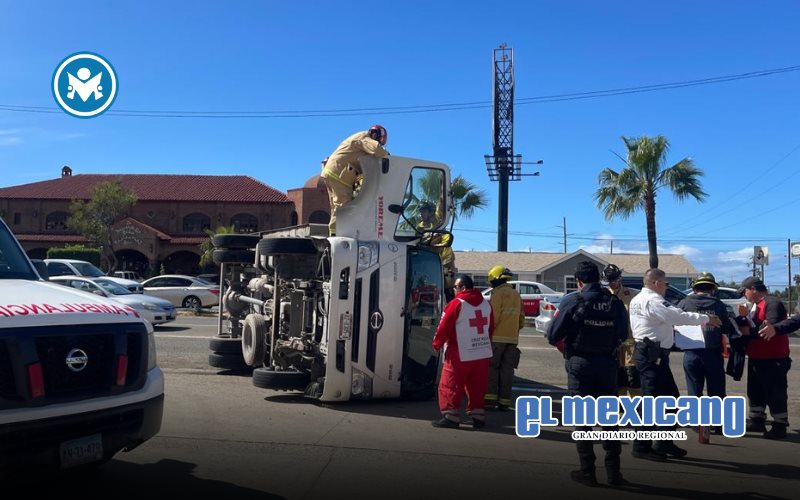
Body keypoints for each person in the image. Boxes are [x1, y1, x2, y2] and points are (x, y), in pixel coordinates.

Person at [547, 261, 629, 487]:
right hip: (607, 365)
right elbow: (623, 334)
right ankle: (614, 473)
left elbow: (553, 334)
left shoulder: (573, 301)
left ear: (579, 281)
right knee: (610, 420)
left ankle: (588, 471)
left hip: (580, 364)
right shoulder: (614, 302)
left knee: (582, 420)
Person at [629, 268, 721, 461]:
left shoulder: (639, 299)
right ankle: (642, 446)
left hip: (653, 354)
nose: (667, 287)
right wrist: (706, 318)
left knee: (670, 398)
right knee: (651, 402)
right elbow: (676, 316)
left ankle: (663, 442)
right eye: (665, 283)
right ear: (656, 283)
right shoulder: (652, 300)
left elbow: (664, 322)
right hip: (651, 355)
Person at [431, 274, 494, 429]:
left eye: (455, 287)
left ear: (462, 287)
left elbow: (444, 326)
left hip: (459, 351)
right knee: (477, 385)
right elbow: (491, 328)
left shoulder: (456, 304)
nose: (454, 290)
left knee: (451, 384)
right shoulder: (486, 305)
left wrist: (436, 343)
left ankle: (451, 416)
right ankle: (478, 416)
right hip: (481, 352)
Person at [735, 276, 790, 439]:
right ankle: (757, 419)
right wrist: (742, 319)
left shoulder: (772, 303)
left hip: (773, 358)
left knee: (775, 392)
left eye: (745, 292)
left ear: (753, 289)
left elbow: (769, 327)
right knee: (755, 390)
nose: (745, 296)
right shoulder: (756, 305)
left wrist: (749, 331)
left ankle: (780, 425)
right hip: (757, 356)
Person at [320, 125, 389, 236]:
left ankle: (333, 234)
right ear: (375, 135)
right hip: (339, 175)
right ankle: (340, 237)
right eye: (379, 141)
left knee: (336, 209)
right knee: (344, 208)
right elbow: (377, 150)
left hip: (331, 172)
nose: (379, 144)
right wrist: (388, 157)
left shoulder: (358, 139)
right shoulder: (365, 138)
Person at [677, 272, 736, 402]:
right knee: (716, 393)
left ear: (694, 288)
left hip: (691, 354)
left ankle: (695, 420)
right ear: (713, 288)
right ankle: (715, 421)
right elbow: (726, 328)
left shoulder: (683, 303)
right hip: (713, 354)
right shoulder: (718, 305)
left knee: (693, 392)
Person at [484, 265, 525, 411]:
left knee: (492, 368)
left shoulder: (497, 294)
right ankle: (504, 402)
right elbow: (521, 318)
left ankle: (489, 400)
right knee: (507, 371)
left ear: (495, 279)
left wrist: (487, 334)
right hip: (512, 340)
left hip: (496, 339)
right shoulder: (516, 294)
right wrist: (513, 332)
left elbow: (493, 317)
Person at [602, 264, 640, 397]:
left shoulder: (633, 295)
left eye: (614, 280)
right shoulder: (603, 296)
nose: (613, 284)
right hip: (611, 344)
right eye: (609, 281)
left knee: (633, 376)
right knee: (616, 377)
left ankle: (637, 405)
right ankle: (620, 405)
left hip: (630, 344)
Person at [417, 200, 456, 301]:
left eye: (423, 211)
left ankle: (451, 304)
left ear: (431, 212)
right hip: (427, 260)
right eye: (420, 211)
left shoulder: (438, 220)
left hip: (444, 259)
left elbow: (442, 203)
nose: (420, 213)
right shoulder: (419, 226)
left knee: (448, 283)